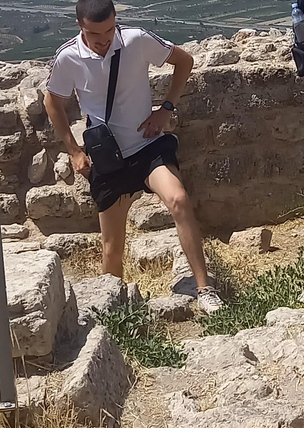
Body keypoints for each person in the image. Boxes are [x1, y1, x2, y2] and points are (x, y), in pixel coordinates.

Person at [44, 0, 223, 314]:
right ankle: (116, 312)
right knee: (112, 249)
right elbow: (52, 103)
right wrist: (73, 150)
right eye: (95, 33)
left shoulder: (135, 40)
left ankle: (205, 289)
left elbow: (184, 61)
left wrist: (165, 110)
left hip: (148, 145)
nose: (104, 39)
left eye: (110, 29)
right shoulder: (68, 57)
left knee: (178, 199)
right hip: (108, 157)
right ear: (79, 27)